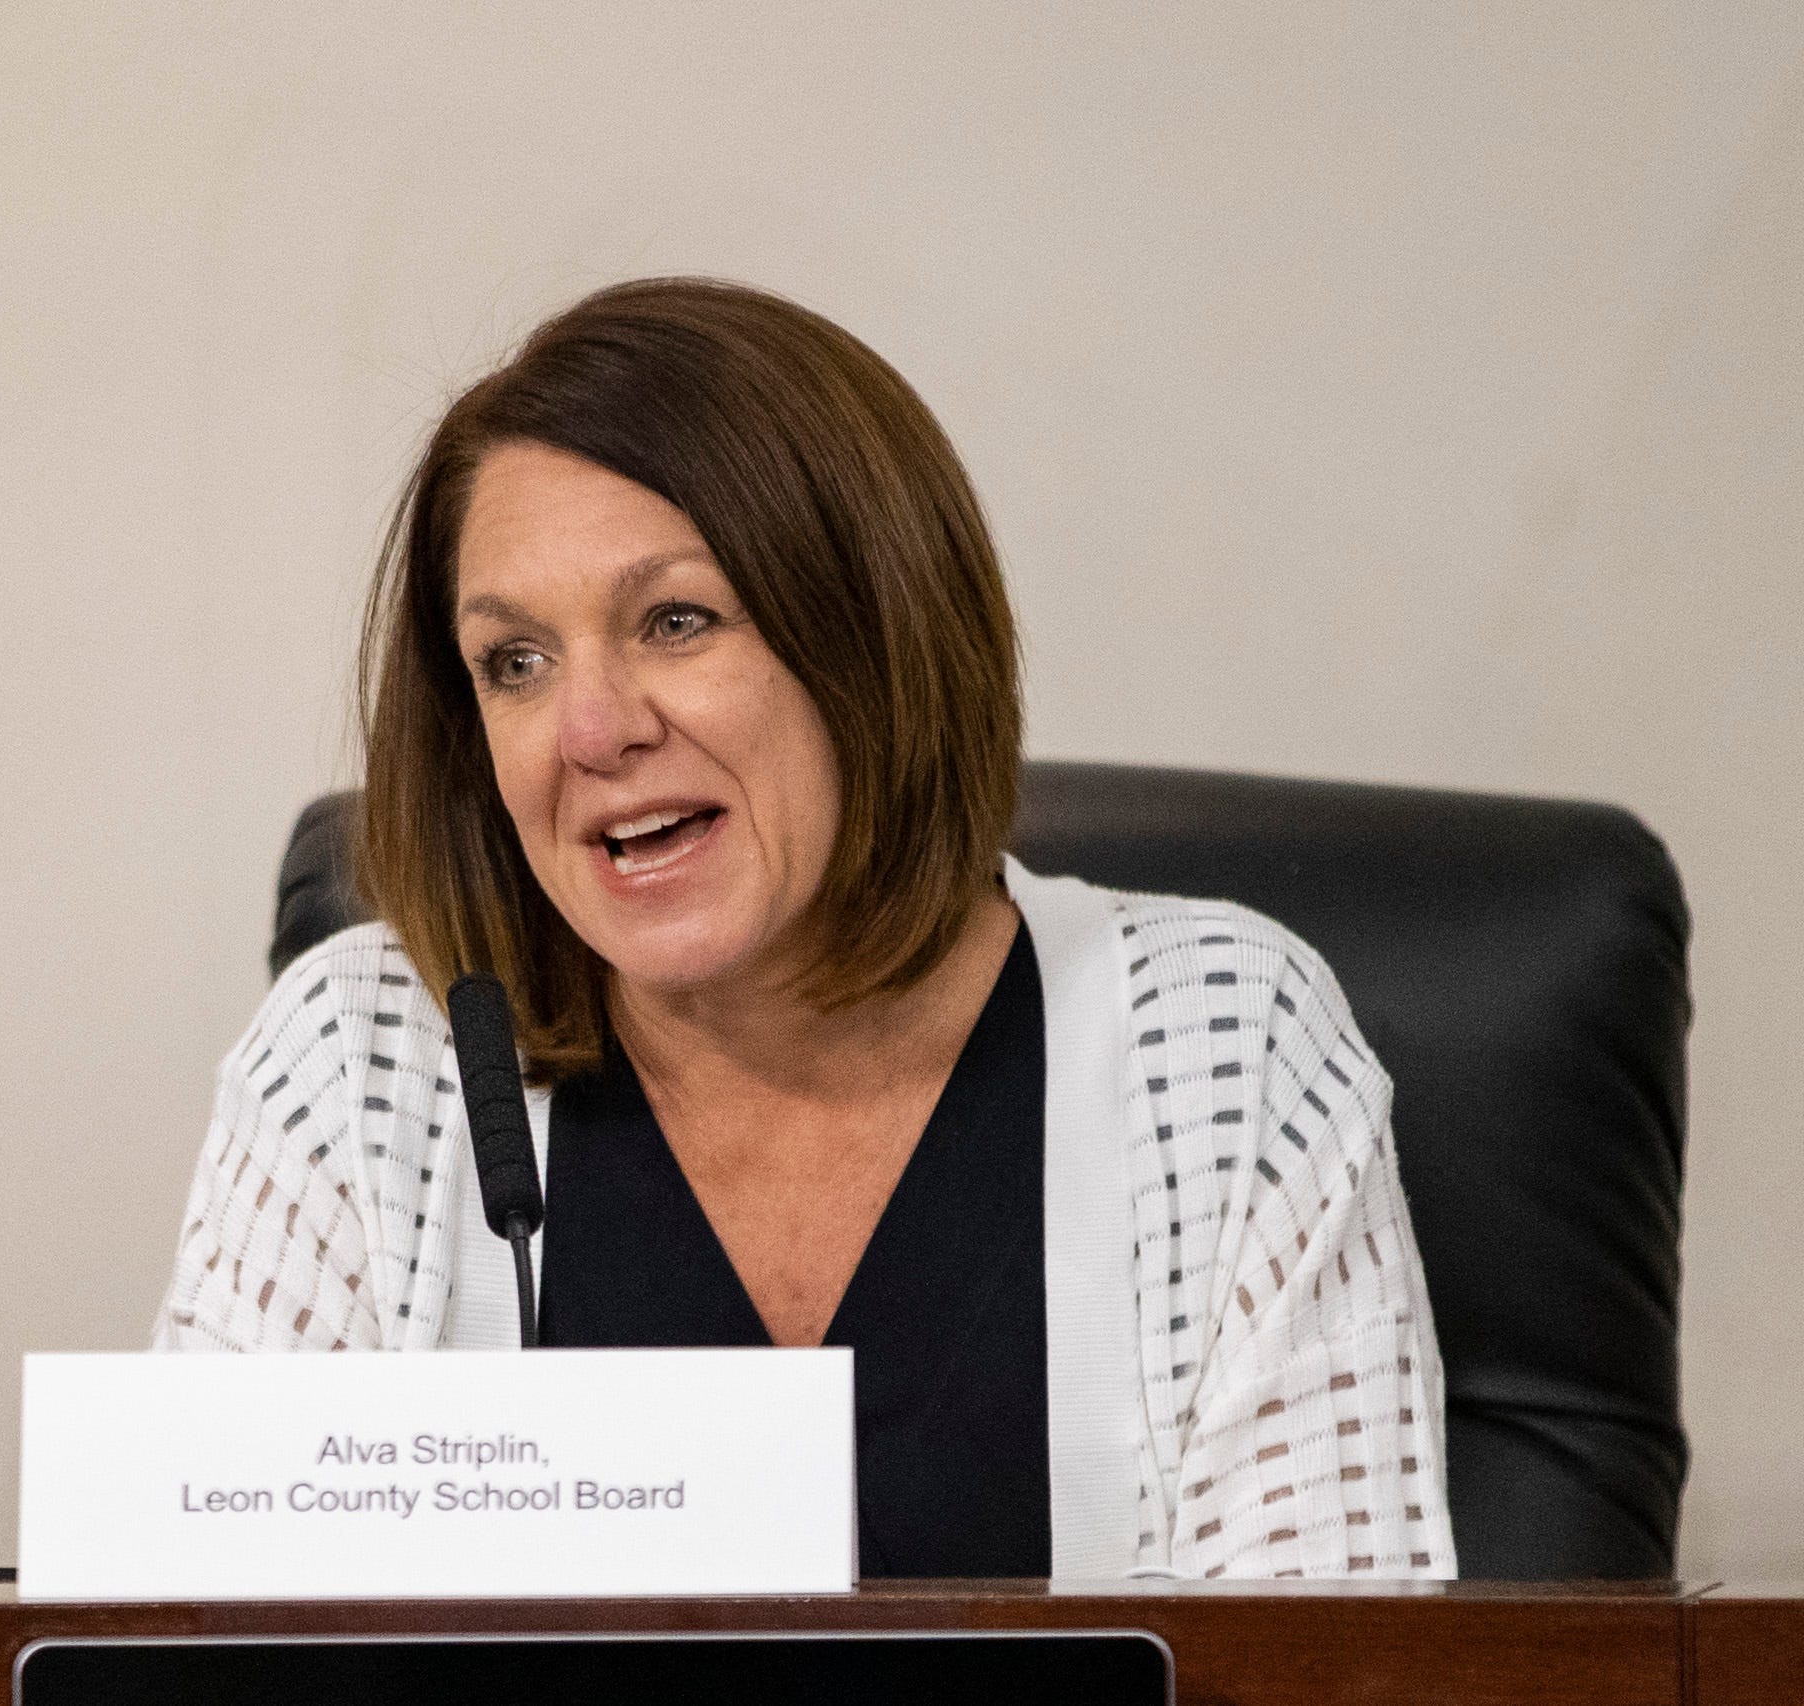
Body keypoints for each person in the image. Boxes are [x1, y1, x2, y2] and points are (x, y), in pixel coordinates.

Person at [155, 277, 1454, 1581]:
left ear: (878, 635)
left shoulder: (1217, 1040)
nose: (591, 730)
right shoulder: (364, 1053)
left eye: (677, 619)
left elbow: (1337, 1672)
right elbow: (191, 1643)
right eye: (516, 661)